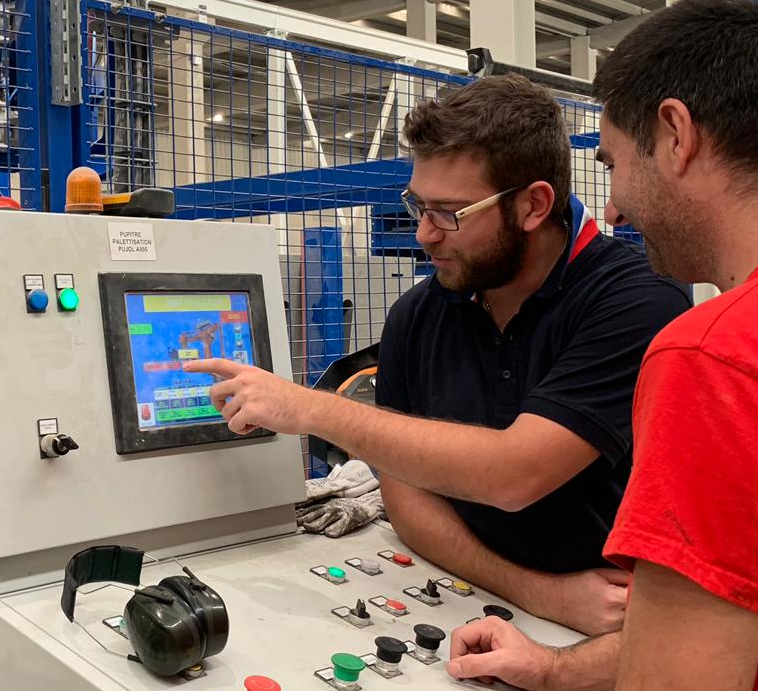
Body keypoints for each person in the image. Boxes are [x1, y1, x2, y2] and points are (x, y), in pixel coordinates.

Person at [441, 0, 758, 691]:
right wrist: (557, 665)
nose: (613, 204)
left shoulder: (715, 357)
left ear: (678, 134)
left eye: (616, 162)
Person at [188, 73, 688, 634]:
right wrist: (537, 593)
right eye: (418, 206)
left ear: (533, 205)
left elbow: (517, 474)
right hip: (478, 594)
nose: (424, 234)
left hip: (610, 623)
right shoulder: (418, 315)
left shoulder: (635, 301)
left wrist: (309, 408)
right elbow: (405, 495)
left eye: (450, 213)